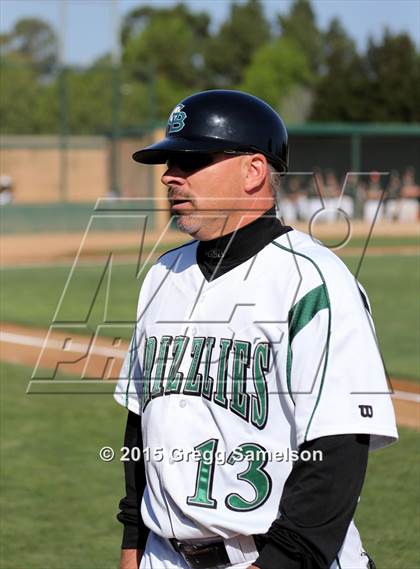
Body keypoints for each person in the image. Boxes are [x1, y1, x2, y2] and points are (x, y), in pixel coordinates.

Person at [114, 90, 397, 569]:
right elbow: (141, 429)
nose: (169, 176)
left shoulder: (311, 279)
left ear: (253, 170)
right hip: (164, 557)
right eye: (168, 162)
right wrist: (132, 548)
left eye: (192, 159)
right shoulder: (162, 275)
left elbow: (337, 452)